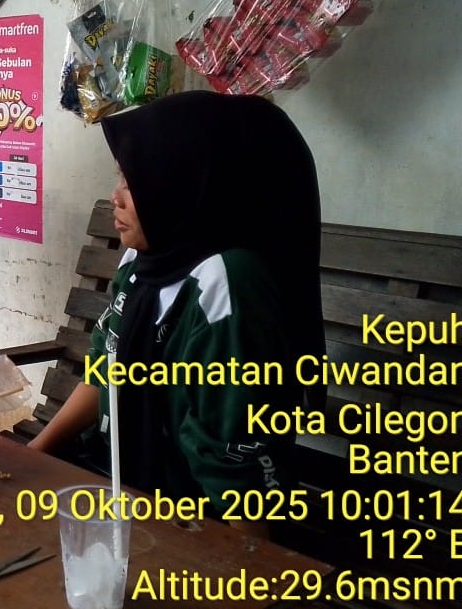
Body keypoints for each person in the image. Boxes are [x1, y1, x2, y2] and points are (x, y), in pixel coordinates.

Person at [28, 91, 324, 538]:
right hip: (120, 477)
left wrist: (251, 566)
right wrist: (33, 454)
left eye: (133, 181)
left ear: (184, 182)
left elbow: (233, 461)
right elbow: (105, 370)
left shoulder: (226, 283)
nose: (115, 198)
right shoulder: (145, 259)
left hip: (193, 516)